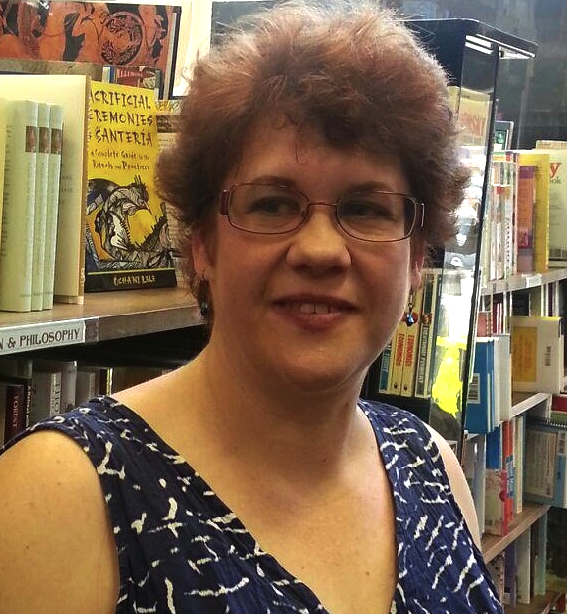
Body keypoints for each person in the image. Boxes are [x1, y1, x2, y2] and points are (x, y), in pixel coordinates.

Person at [0, 2, 503, 613]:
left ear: (417, 255)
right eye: (270, 204)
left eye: (366, 209)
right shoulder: (63, 497)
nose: (321, 251)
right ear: (202, 244)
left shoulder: (432, 467)